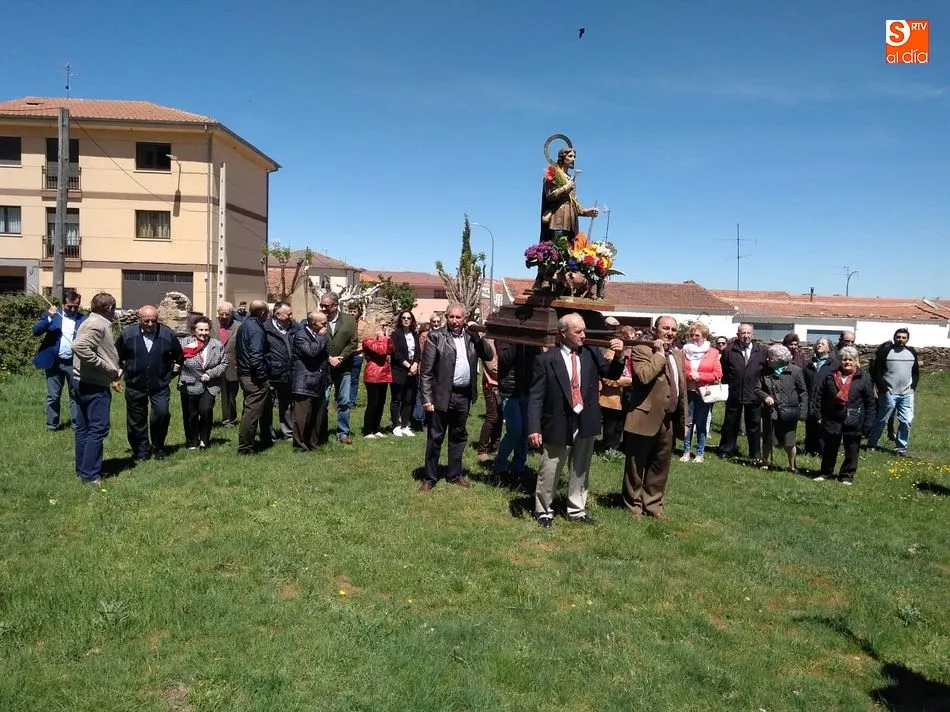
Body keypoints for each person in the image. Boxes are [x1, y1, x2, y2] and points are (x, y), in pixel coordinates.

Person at [527, 313, 625, 527]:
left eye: (584, 330)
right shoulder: (546, 360)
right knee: (550, 468)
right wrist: (534, 427)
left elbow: (612, 374)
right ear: (563, 333)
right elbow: (536, 396)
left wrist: (619, 355)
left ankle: (576, 509)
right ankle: (543, 510)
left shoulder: (590, 353)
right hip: (557, 421)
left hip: (585, 419)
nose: (583, 335)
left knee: (581, 467)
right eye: (578, 331)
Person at [418, 302, 493, 491]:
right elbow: (426, 372)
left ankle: (454, 474)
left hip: (463, 395)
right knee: (435, 437)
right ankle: (429, 478)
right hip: (442, 395)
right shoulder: (436, 336)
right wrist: (427, 399)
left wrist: (477, 335)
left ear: (465, 319)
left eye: (458, 317)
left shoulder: (471, 337)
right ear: (447, 318)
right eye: (451, 317)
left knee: (459, 436)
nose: (454, 321)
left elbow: (488, 354)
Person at [621, 316, 687, 521]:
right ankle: (633, 506)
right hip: (644, 416)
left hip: (668, 419)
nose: (670, 332)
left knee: (660, 465)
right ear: (654, 329)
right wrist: (658, 354)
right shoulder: (642, 349)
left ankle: (653, 504)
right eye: (665, 328)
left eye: (674, 329)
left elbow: (681, 389)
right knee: (636, 464)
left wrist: (684, 421)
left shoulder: (677, 354)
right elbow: (642, 377)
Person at [115, 305, 184, 461]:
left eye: (154, 321)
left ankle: (158, 446)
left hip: (159, 385)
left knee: (162, 413)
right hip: (135, 384)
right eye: (146, 321)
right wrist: (117, 375)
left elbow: (179, 356)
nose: (151, 324)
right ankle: (141, 452)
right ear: (139, 319)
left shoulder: (167, 334)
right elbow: (116, 356)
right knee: (136, 420)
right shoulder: (128, 334)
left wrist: (172, 372)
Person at [70, 293, 123, 485]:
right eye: (114, 308)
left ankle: (83, 470)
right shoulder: (96, 324)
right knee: (97, 428)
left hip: (82, 381)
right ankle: (91, 475)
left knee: (83, 428)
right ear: (109, 308)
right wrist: (108, 367)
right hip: (93, 384)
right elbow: (80, 346)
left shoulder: (89, 320)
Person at [533, 145, 599, 289]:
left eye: (574, 156)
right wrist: (566, 187)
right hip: (557, 218)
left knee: (568, 252)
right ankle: (544, 280)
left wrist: (587, 212)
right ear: (562, 157)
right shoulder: (552, 174)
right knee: (555, 250)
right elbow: (550, 196)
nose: (573, 159)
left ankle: (561, 284)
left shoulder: (570, 179)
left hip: (571, 219)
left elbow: (574, 203)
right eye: (570, 156)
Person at [814, 346, 876, 484]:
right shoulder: (830, 376)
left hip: (854, 419)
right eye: (844, 359)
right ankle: (825, 473)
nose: (847, 362)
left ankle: (847, 475)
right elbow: (819, 396)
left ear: (855, 361)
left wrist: (868, 423)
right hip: (832, 418)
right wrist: (818, 414)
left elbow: (870, 403)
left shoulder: (863, 378)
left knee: (852, 449)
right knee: (830, 448)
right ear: (840, 361)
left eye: (850, 360)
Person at [32, 290, 85, 431]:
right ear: (63, 304)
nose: (73, 309)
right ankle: (52, 425)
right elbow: (36, 331)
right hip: (54, 363)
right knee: (53, 396)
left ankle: (77, 425)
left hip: (73, 363)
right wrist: (49, 316)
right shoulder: (54, 316)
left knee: (75, 395)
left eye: (76, 306)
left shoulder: (83, 320)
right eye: (69, 306)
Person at [493, 341, 541, 484]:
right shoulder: (506, 339)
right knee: (515, 431)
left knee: (525, 431)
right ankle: (500, 465)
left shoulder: (532, 342)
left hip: (526, 389)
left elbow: (536, 361)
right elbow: (504, 359)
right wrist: (517, 342)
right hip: (510, 390)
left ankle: (518, 467)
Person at [866, 327, 919, 456]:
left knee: (906, 421)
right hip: (889, 393)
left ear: (907, 339)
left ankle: (901, 449)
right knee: (882, 419)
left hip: (906, 394)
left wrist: (912, 388)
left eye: (903, 337)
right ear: (894, 337)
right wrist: (884, 389)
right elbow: (877, 373)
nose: (900, 339)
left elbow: (915, 372)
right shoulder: (886, 352)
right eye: (898, 337)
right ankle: (872, 444)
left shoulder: (911, 352)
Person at [755, 344, 808, 473]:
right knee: (768, 439)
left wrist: (803, 413)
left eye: (770, 357)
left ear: (779, 358)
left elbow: (803, 392)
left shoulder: (795, 371)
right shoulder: (764, 371)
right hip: (770, 412)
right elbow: (757, 389)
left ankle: (792, 466)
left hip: (789, 412)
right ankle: (765, 461)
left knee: (789, 441)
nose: (768, 359)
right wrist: (765, 396)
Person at [718, 323, 766, 461]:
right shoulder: (729, 350)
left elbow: (764, 371)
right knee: (730, 423)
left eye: (748, 333)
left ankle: (755, 453)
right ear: (738, 334)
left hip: (754, 393)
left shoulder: (761, 351)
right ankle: (727, 450)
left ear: (753, 335)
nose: (745, 336)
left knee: (754, 425)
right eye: (743, 333)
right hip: (735, 392)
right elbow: (724, 370)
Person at [178, 316, 228, 450]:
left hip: (209, 385)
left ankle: (204, 440)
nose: (204, 333)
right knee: (191, 415)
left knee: (205, 410)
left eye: (206, 330)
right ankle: (192, 441)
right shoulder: (184, 343)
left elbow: (224, 363)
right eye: (200, 330)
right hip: (189, 384)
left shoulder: (216, 345)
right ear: (194, 330)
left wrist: (210, 374)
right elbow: (175, 360)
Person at [680, 322, 723, 463]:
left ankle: (699, 453)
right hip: (688, 391)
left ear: (704, 336)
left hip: (704, 392)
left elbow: (718, 374)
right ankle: (686, 451)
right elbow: (679, 371)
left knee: (701, 422)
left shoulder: (713, 353)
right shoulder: (683, 351)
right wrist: (688, 376)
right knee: (688, 422)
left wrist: (700, 376)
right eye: (691, 335)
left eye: (697, 335)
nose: (693, 337)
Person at [319, 292, 358, 444]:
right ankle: (321, 431)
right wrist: (329, 358)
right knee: (323, 399)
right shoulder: (319, 319)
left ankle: (343, 433)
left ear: (335, 305)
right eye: (321, 305)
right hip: (324, 366)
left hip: (344, 367)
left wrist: (340, 358)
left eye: (326, 306)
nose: (323, 308)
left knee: (344, 401)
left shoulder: (349, 320)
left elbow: (353, 343)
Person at [235, 300, 272, 454]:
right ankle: (245, 447)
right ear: (262, 312)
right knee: (252, 412)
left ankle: (252, 441)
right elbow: (256, 356)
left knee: (249, 409)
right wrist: (263, 378)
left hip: (244, 373)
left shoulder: (244, 325)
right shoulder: (256, 329)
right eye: (267, 312)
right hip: (253, 376)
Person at [290, 311, 330, 452]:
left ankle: (313, 443)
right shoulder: (301, 336)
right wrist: (320, 337)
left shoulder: (319, 335)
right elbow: (311, 353)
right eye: (323, 323)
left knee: (316, 416)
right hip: (304, 381)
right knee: (302, 417)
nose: (326, 326)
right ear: (313, 324)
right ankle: (300, 446)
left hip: (318, 381)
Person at [597, 325, 636, 454]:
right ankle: (607, 450)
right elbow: (608, 379)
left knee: (621, 425)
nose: (631, 340)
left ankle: (619, 448)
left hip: (628, 395)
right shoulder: (611, 353)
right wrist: (627, 381)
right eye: (628, 338)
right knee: (610, 426)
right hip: (612, 396)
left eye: (633, 337)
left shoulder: (634, 354)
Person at [263, 301, 297, 441]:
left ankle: (288, 433)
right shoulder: (266, 329)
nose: (291, 316)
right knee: (267, 405)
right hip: (271, 372)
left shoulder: (294, 327)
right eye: (288, 314)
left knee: (287, 404)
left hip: (288, 373)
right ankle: (267, 434)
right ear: (277, 314)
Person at [802, 338, 838, 456]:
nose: (819, 345)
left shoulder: (834, 365)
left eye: (823, 344)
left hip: (825, 400)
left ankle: (823, 451)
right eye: (818, 343)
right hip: (810, 398)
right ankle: (809, 449)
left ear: (829, 348)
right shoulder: (809, 363)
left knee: (822, 426)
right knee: (810, 425)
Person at [390, 310, 420, 437]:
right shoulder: (395, 334)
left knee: (408, 399)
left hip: (413, 370)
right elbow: (395, 353)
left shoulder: (415, 334)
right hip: (399, 370)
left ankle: (405, 425)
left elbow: (418, 351)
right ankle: (396, 424)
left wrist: (415, 364)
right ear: (400, 320)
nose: (406, 320)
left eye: (409, 318)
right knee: (397, 399)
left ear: (412, 320)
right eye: (404, 318)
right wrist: (408, 365)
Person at [361, 318, 393, 439]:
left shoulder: (382, 338)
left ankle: (376, 428)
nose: (384, 327)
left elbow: (390, 350)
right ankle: (368, 431)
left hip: (384, 374)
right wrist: (382, 338)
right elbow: (380, 350)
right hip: (373, 375)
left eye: (386, 325)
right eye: (382, 325)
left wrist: (388, 338)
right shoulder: (368, 340)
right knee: (373, 403)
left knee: (381, 403)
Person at [213, 301, 242, 426]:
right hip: (213, 366)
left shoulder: (239, 326)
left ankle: (229, 419)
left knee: (230, 395)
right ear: (218, 312)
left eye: (227, 314)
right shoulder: (211, 325)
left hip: (232, 366)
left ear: (232, 314)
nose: (224, 316)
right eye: (221, 314)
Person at [475, 337, 503, 462]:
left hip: (502, 385)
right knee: (492, 417)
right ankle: (482, 449)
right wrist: (510, 372)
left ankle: (495, 447)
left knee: (499, 417)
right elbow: (494, 368)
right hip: (492, 386)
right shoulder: (488, 344)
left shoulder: (500, 341)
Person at [348, 304, 365, 407]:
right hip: (345, 355)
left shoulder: (364, 324)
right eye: (351, 311)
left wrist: (359, 351)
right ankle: (342, 399)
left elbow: (366, 340)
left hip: (357, 355)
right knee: (344, 378)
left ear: (358, 312)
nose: (352, 313)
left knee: (354, 379)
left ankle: (352, 401)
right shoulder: (344, 323)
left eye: (354, 311)